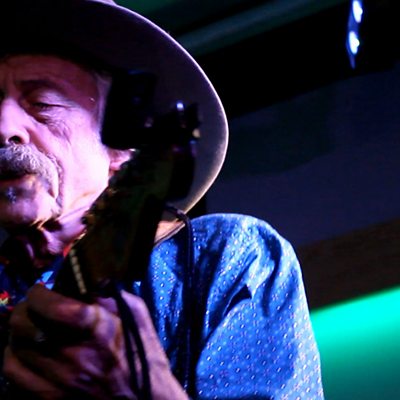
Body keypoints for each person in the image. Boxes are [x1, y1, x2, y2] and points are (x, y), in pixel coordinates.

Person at [0, 0, 324, 399]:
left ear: (124, 151)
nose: (4, 127)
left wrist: (139, 389)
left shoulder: (226, 257)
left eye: (43, 104)